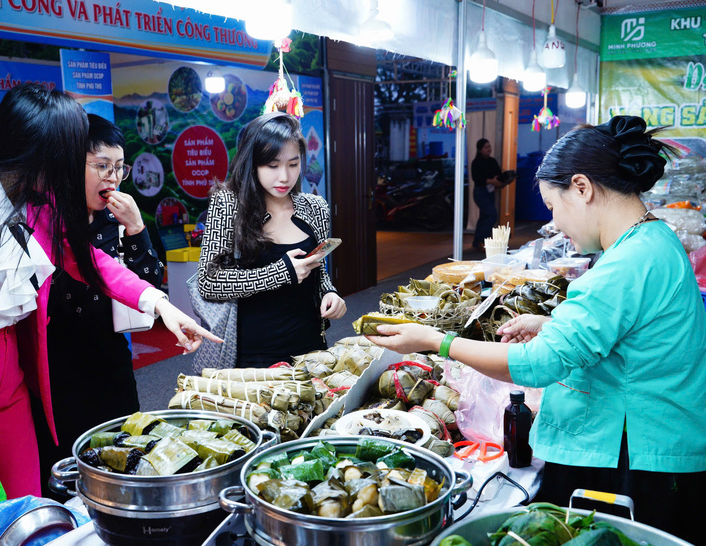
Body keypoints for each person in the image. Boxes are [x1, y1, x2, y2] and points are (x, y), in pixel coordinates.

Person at [368, 116, 706, 542]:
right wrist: (552, 321)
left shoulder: (626, 263)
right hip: (654, 440)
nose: (555, 225)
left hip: (634, 456)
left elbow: (538, 365)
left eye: (553, 207)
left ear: (582, 188)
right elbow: (634, 332)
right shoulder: (653, 241)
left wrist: (438, 341)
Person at [0, 83, 219, 498]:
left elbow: (92, 262)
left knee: (25, 501)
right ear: (40, 148)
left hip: (11, 378)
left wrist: (161, 304)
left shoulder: (38, 207)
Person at [32, 114, 163, 497]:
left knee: (123, 454)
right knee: (64, 469)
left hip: (110, 359)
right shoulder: (42, 218)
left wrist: (137, 230)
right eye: (102, 166)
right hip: (56, 367)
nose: (113, 177)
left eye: (119, 167)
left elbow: (150, 286)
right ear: (71, 164)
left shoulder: (118, 217)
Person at [198, 112, 347, 368]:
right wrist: (282, 271)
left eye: (293, 164)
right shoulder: (229, 205)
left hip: (310, 348)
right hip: (252, 355)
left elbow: (318, 272)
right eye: (272, 165)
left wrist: (330, 293)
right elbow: (209, 282)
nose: (284, 177)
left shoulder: (314, 207)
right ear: (251, 163)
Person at [471, 138, 503, 251]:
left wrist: (501, 181)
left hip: (491, 191)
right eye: (486, 147)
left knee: (484, 216)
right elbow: (476, 179)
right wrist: (491, 181)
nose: (489, 149)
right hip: (480, 192)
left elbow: (499, 174)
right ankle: (483, 240)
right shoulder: (476, 162)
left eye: (489, 146)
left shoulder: (492, 161)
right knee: (491, 214)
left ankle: (477, 242)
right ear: (480, 150)